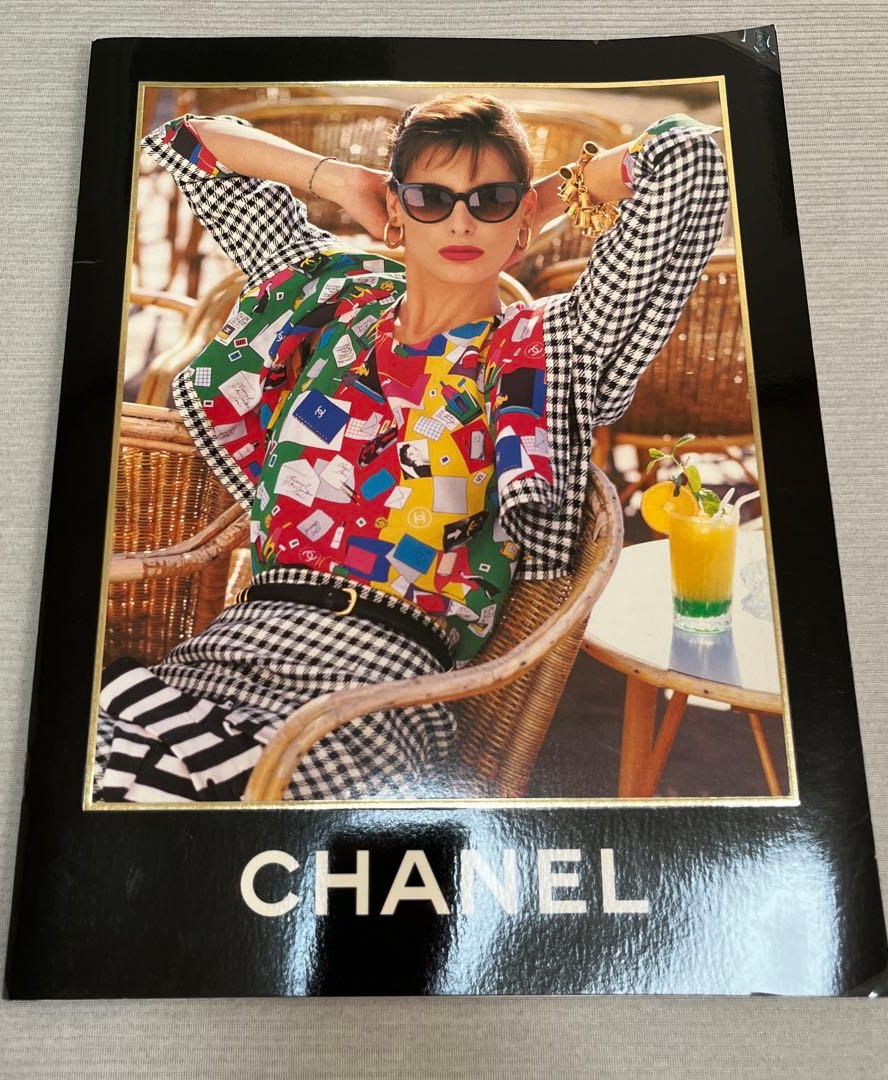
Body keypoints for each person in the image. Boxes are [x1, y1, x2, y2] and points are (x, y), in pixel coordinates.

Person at [94, 92, 730, 804]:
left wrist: (542, 201)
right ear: (397, 208)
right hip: (224, 655)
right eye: (431, 197)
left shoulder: (547, 356)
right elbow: (192, 140)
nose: (461, 220)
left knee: (178, 799)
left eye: (489, 199)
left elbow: (687, 157)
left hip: (372, 695)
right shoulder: (332, 299)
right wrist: (345, 182)